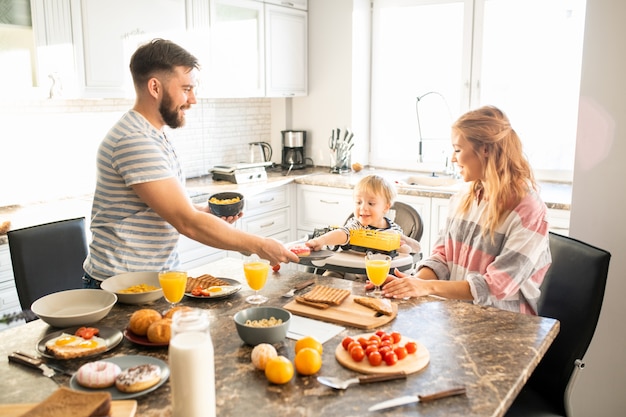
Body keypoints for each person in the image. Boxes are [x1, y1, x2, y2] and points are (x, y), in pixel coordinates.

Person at [82, 39, 298, 287]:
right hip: (122, 286)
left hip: (152, 280)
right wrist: (260, 246)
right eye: (186, 89)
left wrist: (204, 212)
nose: (192, 99)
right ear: (155, 87)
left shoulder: (154, 133)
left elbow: (167, 209)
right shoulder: (134, 140)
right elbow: (187, 223)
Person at [375, 106, 551, 315]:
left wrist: (425, 287)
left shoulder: (527, 211)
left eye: (458, 149)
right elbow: (442, 257)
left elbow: (497, 285)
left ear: (485, 149)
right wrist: (409, 284)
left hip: (504, 325)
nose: (453, 158)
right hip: (459, 315)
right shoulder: (463, 198)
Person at [306, 174, 421, 262]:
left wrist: (402, 248)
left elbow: (402, 252)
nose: (363, 208)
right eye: (358, 202)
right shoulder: (357, 225)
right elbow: (342, 233)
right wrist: (321, 240)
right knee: (330, 277)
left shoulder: (394, 230)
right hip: (347, 273)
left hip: (378, 276)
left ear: (386, 207)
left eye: (371, 203)